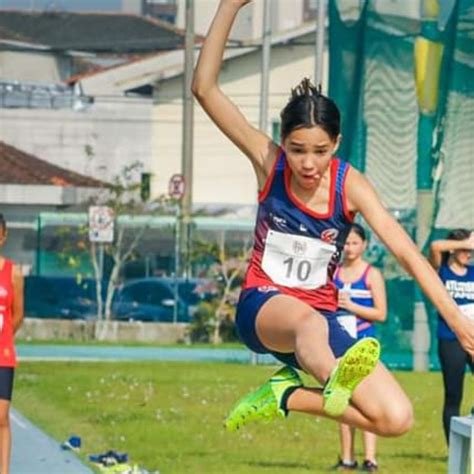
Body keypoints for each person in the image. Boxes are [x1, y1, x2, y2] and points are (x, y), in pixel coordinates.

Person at [192, 0, 474, 441]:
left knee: (394, 419)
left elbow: (408, 254)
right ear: (283, 142)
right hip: (264, 306)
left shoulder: (351, 185)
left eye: (320, 152)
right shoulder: (270, 165)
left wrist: (459, 322)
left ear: (336, 144)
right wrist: (232, 5)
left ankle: (286, 396)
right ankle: (335, 381)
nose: (307, 163)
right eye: (297, 149)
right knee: (307, 322)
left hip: (322, 323)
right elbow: (205, 89)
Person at [333, 224, 386, 472]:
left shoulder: (371, 275)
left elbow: (381, 313)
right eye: (346, 242)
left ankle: (370, 459)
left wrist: (352, 305)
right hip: (339, 345)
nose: (350, 248)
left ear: (364, 245)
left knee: (367, 401)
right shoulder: (332, 273)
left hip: (364, 345)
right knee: (342, 399)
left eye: (355, 243)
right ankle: (346, 459)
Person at [429, 229, 474, 445]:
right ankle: (454, 449)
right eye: (464, 249)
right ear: (454, 248)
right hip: (451, 339)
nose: (468, 253)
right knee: (454, 395)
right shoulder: (442, 272)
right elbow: (436, 247)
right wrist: (465, 242)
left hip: (473, 338)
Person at [0, 213, 24, 474]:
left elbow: (18, 314)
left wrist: (6, 335)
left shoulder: (13, 272)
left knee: (1, 416)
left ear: (3, 236)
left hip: (3, 354)